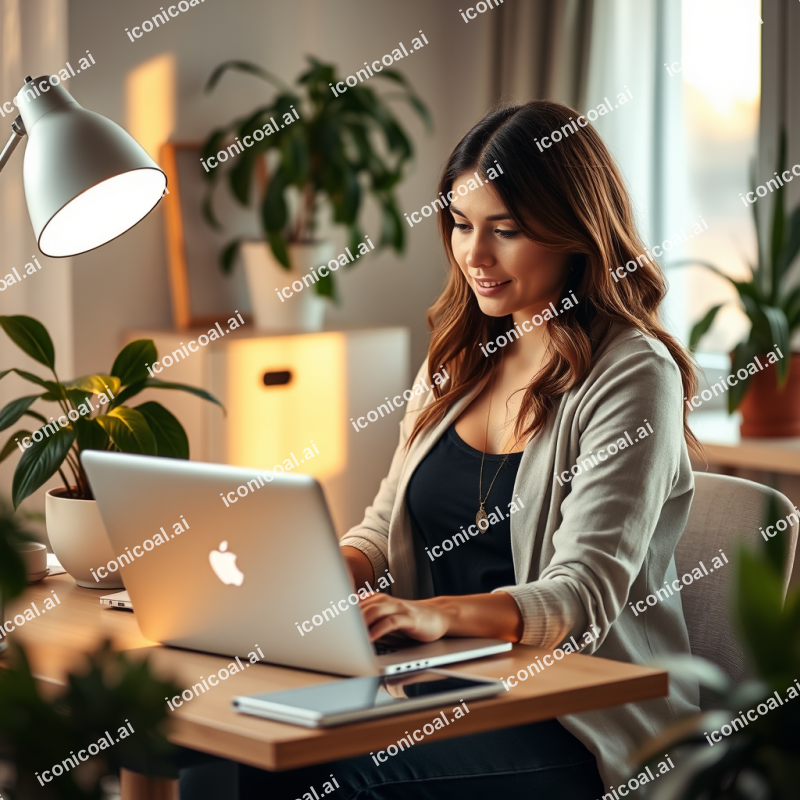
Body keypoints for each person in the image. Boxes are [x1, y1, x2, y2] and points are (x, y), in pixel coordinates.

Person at [234, 99, 701, 799]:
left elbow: (582, 596)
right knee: (263, 744)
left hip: (578, 718)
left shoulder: (633, 374)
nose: (475, 255)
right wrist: (317, 581)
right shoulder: (460, 354)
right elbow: (384, 525)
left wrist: (436, 613)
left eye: (505, 231)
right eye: (460, 224)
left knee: (341, 776)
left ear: (574, 230)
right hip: (446, 680)